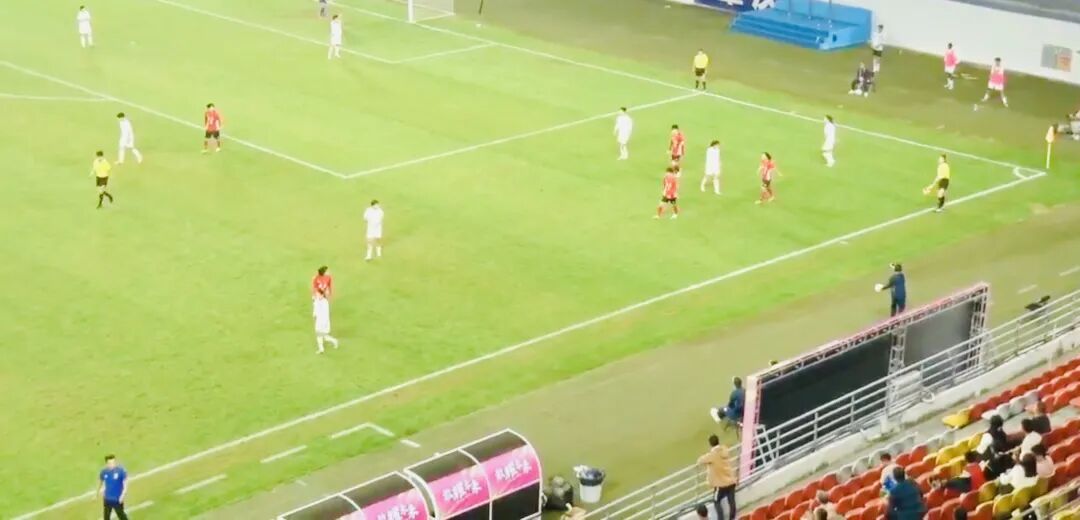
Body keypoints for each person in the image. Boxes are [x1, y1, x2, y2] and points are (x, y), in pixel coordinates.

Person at [697, 434, 737, 520]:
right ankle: (732, 518)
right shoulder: (724, 450)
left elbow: (700, 460)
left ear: (710, 444)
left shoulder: (712, 455)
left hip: (721, 484)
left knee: (716, 500)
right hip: (731, 481)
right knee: (732, 502)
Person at [97, 454, 129, 520]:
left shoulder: (121, 471)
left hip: (117, 499)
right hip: (107, 499)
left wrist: (122, 495)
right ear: (106, 464)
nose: (112, 464)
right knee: (106, 517)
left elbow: (125, 485)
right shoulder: (104, 472)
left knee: (121, 516)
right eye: (110, 463)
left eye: (113, 462)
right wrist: (97, 493)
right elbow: (100, 482)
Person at [313, 289, 339, 353]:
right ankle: (321, 349)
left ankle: (335, 341)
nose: (317, 296)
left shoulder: (325, 303)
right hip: (318, 321)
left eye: (318, 295)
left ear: (322, 295)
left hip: (323, 322)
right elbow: (315, 308)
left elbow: (325, 314)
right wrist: (314, 315)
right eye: (316, 294)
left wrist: (324, 323)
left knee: (325, 337)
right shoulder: (316, 301)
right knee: (319, 335)